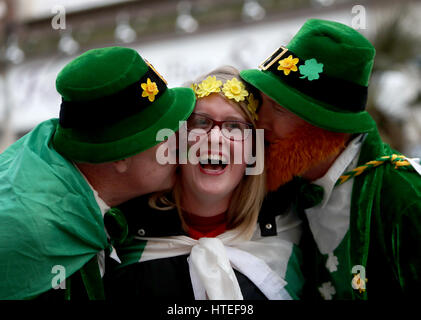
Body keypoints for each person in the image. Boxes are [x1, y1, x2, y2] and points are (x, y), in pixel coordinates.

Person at [240, 18, 421, 299]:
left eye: (278, 109)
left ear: (325, 125)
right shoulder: (287, 185)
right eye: (261, 104)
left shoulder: (404, 197)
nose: (259, 122)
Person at [0, 46, 196, 300]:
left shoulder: (54, 174)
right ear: (121, 155)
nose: (182, 142)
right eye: (165, 134)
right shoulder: (30, 232)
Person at [103, 66, 304, 300]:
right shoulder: (120, 237)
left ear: (254, 150)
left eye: (235, 126)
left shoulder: (292, 230)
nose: (215, 137)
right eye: (200, 122)